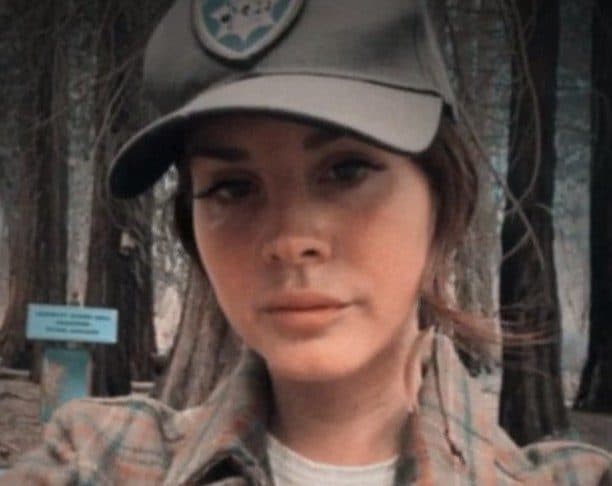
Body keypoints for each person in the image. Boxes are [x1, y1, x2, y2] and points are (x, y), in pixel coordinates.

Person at [3, 0, 611, 484]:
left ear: (444, 200)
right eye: (233, 187)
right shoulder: (97, 459)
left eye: (346, 171)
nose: (291, 240)